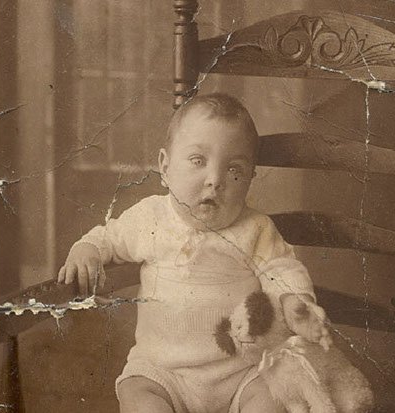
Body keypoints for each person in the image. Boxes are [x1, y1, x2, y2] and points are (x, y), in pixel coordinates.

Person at [57, 93, 331, 413]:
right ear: (165, 167)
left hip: (241, 373)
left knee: (270, 398)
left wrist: (295, 301)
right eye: (198, 160)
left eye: (234, 169)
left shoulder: (255, 228)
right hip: (163, 372)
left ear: (250, 179)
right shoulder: (150, 218)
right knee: (138, 395)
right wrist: (87, 249)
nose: (214, 180)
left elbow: (282, 269)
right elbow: (108, 237)